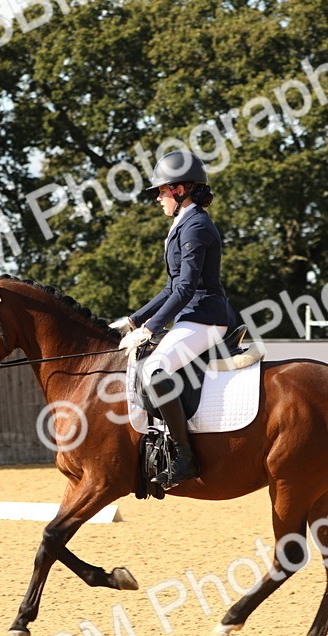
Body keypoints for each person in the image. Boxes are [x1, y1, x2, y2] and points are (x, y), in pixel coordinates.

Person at [112, 150, 237, 489]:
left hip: (206, 317)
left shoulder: (196, 226)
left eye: (162, 191)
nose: (158, 198)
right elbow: (171, 286)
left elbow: (184, 288)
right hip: (190, 314)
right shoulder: (184, 223)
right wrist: (134, 320)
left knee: (156, 371)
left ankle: (184, 457)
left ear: (180, 190)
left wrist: (150, 328)